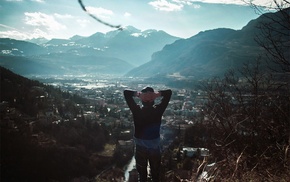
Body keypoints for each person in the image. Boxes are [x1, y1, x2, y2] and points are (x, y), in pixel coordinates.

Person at [124, 87, 172, 182]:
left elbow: (126, 93)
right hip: (155, 148)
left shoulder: (136, 110)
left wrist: (139, 95)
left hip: (140, 147)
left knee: (142, 176)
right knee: (155, 174)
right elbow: (169, 93)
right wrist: (156, 94)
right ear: (153, 100)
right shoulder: (158, 110)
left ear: (142, 100)